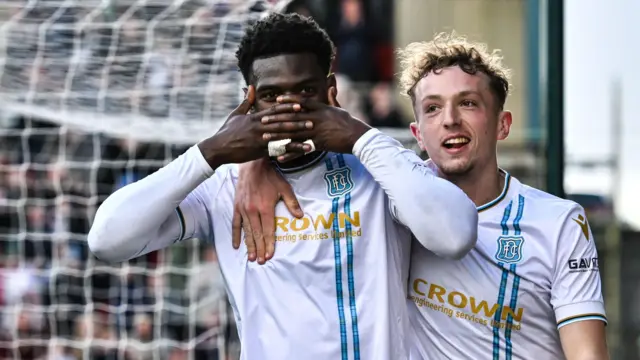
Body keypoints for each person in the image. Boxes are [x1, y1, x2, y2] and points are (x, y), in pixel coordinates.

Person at [87, 14, 478, 360]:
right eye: (272, 96)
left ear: (330, 93)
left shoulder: (379, 168)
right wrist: (209, 152)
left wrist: (362, 138)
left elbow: (454, 235)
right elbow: (107, 240)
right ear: (249, 104)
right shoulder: (224, 183)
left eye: (305, 92)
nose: (289, 110)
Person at [234, 32, 609, 359]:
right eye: (432, 109)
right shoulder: (386, 196)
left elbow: (588, 353)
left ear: (502, 125)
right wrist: (254, 162)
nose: (449, 120)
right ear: (416, 133)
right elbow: (297, 110)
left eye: (468, 103)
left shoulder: (558, 222)